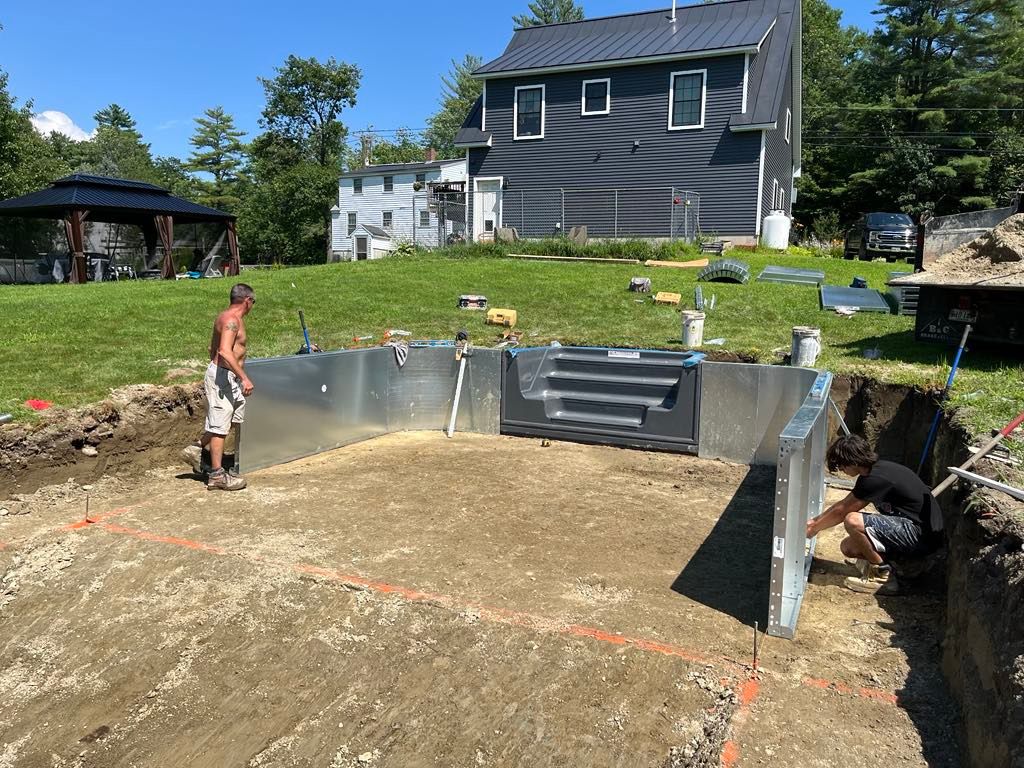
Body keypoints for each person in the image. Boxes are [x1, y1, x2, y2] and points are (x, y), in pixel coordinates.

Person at [805, 434, 941, 595]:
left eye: (841, 465)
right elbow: (842, 504)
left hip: (921, 535)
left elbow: (843, 511)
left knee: (853, 520)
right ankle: (898, 565)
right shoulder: (876, 471)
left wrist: (813, 529)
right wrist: (815, 522)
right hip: (915, 532)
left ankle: (883, 576)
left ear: (853, 461)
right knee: (849, 547)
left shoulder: (874, 479)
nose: (841, 469)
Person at [182, 283, 256, 491]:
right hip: (224, 378)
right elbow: (223, 351)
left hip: (227, 377)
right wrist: (244, 377)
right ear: (247, 300)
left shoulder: (228, 318)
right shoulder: (231, 320)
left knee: (231, 417)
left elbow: (211, 348)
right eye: (253, 302)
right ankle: (216, 476)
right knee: (220, 425)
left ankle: (196, 447)